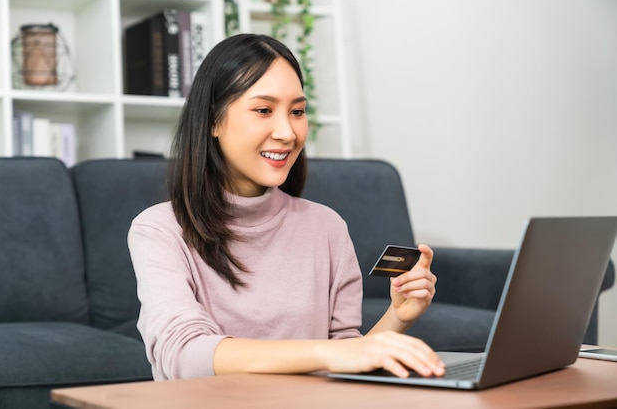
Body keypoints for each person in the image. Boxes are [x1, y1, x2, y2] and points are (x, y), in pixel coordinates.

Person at [127, 33, 444, 381]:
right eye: (264, 110)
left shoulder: (327, 227)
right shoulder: (159, 229)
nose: (287, 132)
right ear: (213, 120)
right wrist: (330, 352)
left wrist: (398, 316)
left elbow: (346, 356)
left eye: (297, 111)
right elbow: (184, 355)